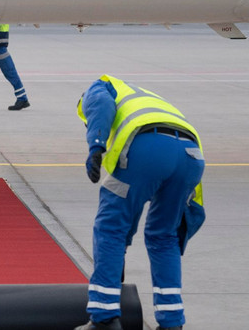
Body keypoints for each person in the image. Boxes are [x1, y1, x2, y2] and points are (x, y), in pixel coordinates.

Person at [74, 75, 206, 330]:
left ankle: (104, 318)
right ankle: (172, 322)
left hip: (148, 147)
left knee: (110, 229)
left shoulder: (100, 86)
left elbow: (100, 104)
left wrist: (95, 147)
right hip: (191, 156)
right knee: (164, 237)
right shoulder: (144, 98)